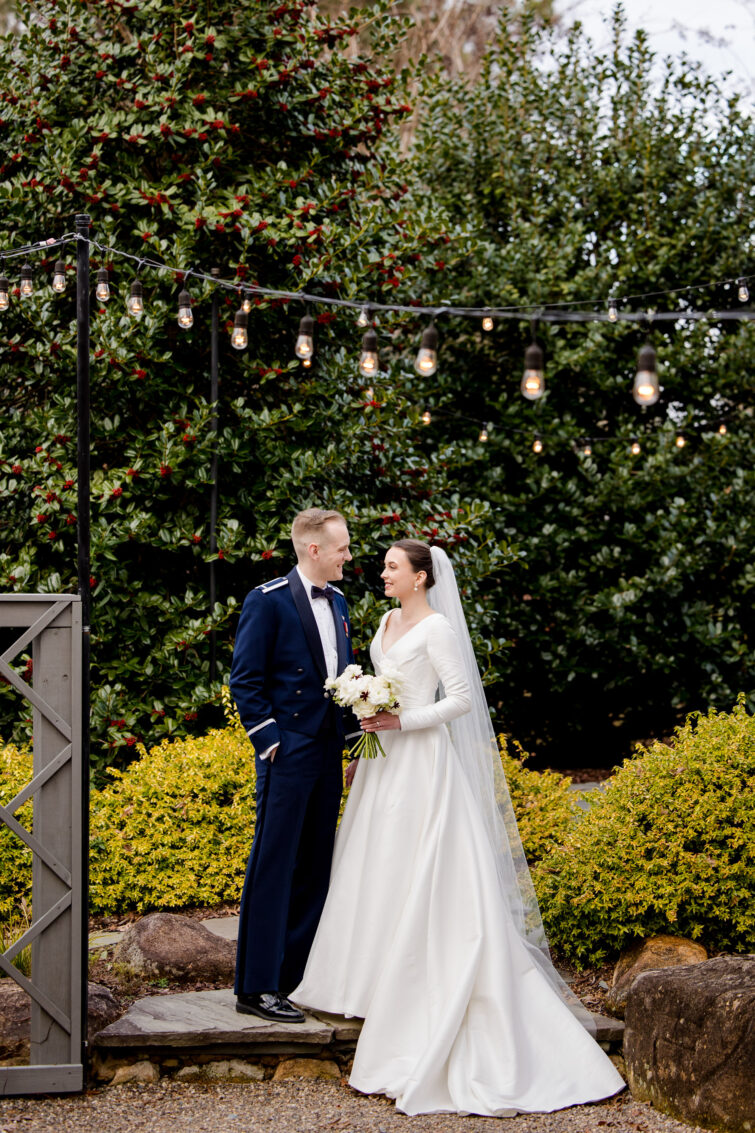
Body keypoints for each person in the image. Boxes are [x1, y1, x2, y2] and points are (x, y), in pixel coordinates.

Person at [292, 538, 625, 1115]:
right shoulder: (387, 617)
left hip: (422, 762)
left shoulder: (439, 629)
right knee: (374, 864)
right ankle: (364, 983)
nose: (383, 573)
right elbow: (380, 679)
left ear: (420, 577)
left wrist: (402, 720)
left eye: (393, 567)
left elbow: (463, 700)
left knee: (419, 868)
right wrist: (368, 727)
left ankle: (414, 986)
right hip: (382, 763)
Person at [230, 508, 360, 1023]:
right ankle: (256, 986)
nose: (348, 555)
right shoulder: (268, 601)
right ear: (314, 550)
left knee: (315, 865)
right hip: (288, 753)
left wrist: (353, 743)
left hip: (328, 750)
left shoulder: (342, 601)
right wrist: (270, 742)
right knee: (274, 865)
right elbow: (246, 680)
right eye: (342, 547)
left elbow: (342, 677)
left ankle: (297, 977)